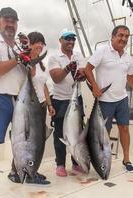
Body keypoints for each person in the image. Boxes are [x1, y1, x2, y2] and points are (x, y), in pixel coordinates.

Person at [0, 8, 51, 198]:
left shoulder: (18, 45)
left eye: (13, 21)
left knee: (28, 140)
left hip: (21, 101)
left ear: (17, 24)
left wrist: (29, 56)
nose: (10, 24)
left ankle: (23, 171)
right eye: (6, 20)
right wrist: (18, 58)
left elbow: (31, 74)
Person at [84, 25, 133, 173]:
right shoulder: (102, 51)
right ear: (112, 37)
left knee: (124, 128)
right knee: (105, 132)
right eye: (120, 35)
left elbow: (130, 76)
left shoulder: (128, 57)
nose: (123, 39)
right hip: (105, 100)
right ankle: (102, 159)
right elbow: (87, 69)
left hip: (122, 99)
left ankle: (127, 159)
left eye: (126, 36)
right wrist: (95, 87)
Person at [7, 31, 55, 184]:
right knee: (22, 136)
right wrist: (28, 63)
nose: (40, 45)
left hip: (39, 105)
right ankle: (15, 171)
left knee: (36, 139)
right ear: (30, 44)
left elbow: (45, 86)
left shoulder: (42, 65)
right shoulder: (23, 61)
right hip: (26, 104)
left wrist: (49, 104)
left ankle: (32, 170)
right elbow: (26, 76)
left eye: (42, 43)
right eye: (37, 42)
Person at [48, 29, 86, 177]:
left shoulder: (78, 56)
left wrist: (80, 74)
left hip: (76, 99)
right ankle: (60, 164)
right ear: (60, 40)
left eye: (73, 39)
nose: (71, 41)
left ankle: (76, 163)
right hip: (59, 100)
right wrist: (67, 68)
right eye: (67, 38)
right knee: (59, 134)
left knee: (77, 133)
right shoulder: (53, 57)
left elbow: (82, 75)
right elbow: (56, 78)